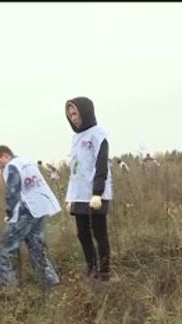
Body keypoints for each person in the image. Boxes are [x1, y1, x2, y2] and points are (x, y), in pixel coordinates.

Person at [0, 145, 62, 287]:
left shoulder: (11, 166)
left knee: (5, 248)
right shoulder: (26, 162)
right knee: (37, 246)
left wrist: (10, 213)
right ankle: (50, 281)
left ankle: (9, 288)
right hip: (42, 208)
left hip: (27, 210)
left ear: (6, 155)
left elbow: (13, 191)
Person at [65, 96, 115, 281]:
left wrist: (97, 192)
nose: (73, 117)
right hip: (79, 195)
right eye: (69, 114)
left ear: (85, 112)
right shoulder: (76, 138)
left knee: (99, 233)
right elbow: (75, 169)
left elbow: (101, 164)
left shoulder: (98, 134)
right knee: (82, 233)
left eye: (75, 113)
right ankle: (91, 266)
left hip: (95, 193)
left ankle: (104, 271)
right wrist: (70, 196)